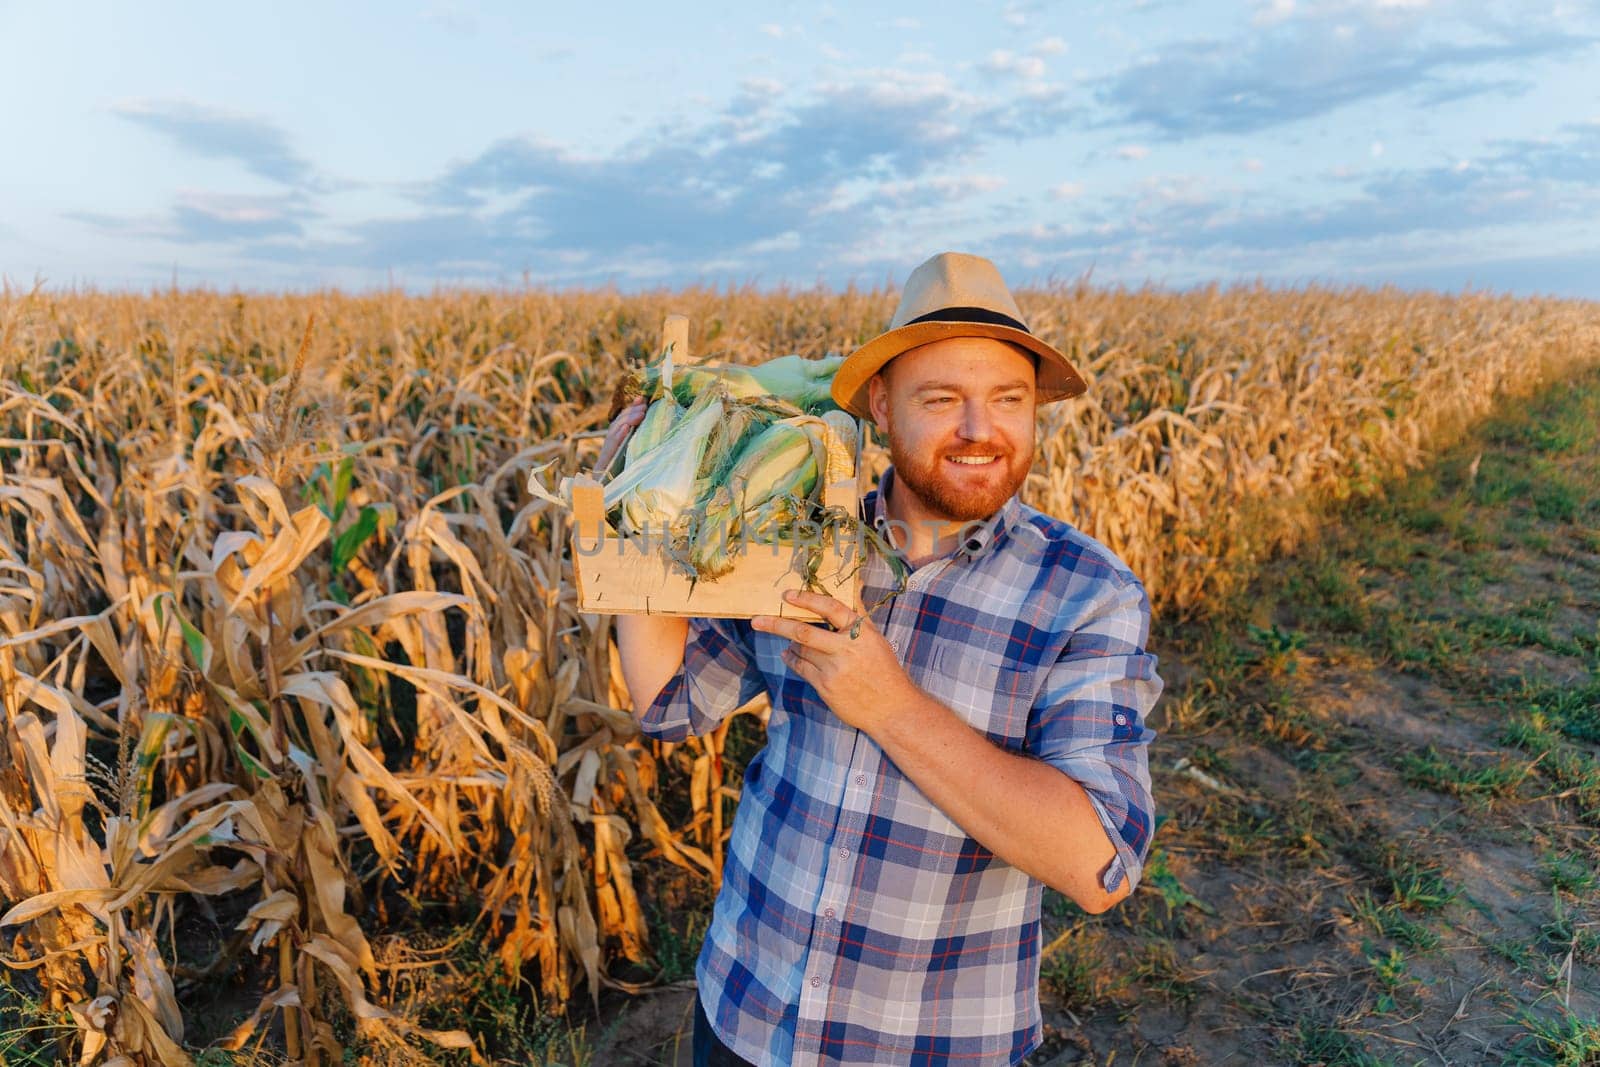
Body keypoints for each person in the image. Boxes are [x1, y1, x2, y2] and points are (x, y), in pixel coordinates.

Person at [613, 252, 1160, 1066]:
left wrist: (890, 704)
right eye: (941, 400)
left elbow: (1098, 864)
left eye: (1007, 400)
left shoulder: (1085, 594)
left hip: (925, 1044)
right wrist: (640, 512)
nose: (979, 431)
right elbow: (668, 702)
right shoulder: (789, 540)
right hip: (746, 1012)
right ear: (880, 404)